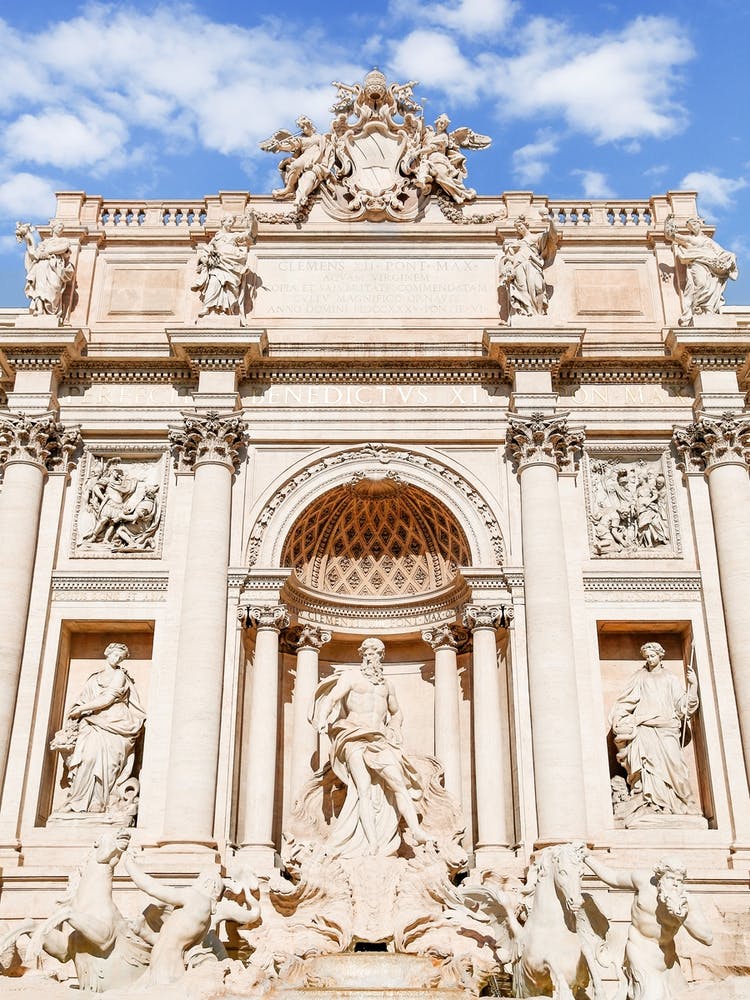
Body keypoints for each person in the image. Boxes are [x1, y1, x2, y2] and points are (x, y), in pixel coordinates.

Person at [309, 637, 431, 857]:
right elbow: (333, 698)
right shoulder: (351, 677)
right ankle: (372, 842)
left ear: (381, 656)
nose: (371, 655)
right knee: (362, 789)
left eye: (375, 652)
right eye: (367, 652)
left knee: (399, 784)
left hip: (379, 739)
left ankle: (416, 830)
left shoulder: (387, 685)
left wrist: (395, 726)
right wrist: (322, 718)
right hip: (353, 736)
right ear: (361, 654)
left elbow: (397, 712)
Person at [583, 852, 712, 999]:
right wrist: (587, 857)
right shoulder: (643, 881)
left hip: (667, 958)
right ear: (660, 878)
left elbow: (708, 938)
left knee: (681, 995)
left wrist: (683, 918)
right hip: (640, 951)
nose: (676, 883)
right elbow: (613, 878)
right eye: (671, 878)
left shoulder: (687, 902)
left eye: (680, 880)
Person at [51, 643, 146, 815]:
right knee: (87, 759)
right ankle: (76, 800)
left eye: (121, 657)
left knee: (109, 764)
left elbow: (108, 698)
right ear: (107, 653)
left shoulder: (119, 676)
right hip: (92, 723)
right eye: (115, 655)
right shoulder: (93, 679)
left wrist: (82, 709)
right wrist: (78, 710)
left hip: (116, 723)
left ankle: (99, 803)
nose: (117, 659)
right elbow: (82, 699)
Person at [610, 641, 699, 816]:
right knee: (648, 768)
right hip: (644, 727)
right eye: (647, 657)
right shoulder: (639, 677)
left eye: (653, 656)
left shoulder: (670, 679)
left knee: (676, 765)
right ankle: (651, 803)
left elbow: (683, 706)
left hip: (667, 728)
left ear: (660, 655)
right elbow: (627, 700)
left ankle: (684, 802)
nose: (650, 659)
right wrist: (620, 717)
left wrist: (693, 685)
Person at [665, 216, 738, 326]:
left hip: (712, 266)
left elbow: (721, 252)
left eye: (694, 223)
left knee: (711, 287)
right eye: (690, 226)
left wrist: (731, 256)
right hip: (698, 265)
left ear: (699, 224)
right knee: (701, 284)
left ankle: (708, 310)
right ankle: (699, 308)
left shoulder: (708, 241)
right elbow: (671, 236)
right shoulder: (690, 239)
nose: (693, 226)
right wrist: (668, 223)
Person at [192, 213, 257, 319]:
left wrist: (253, 221)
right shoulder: (215, 238)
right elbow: (206, 252)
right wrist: (205, 259)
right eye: (229, 221)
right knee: (214, 282)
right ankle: (208, 307)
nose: (231, 224)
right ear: (223, 222)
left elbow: (250, 235)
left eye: (232, 222)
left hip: (232, 265)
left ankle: (226, 308)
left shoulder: (234, 236)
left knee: (230, 288)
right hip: (218, 264)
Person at [500, 211, 559, 316]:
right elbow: (509, 258)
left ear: (525, 224)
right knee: (522, 289)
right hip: (518, 266)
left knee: (539, 287)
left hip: (533, 265)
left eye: (520, 225)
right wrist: (508, 268)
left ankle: (539, 312)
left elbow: (553, 236)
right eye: (517, 228)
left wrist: (550, 221)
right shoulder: (516, 244)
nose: (519, 229)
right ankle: (528, 311)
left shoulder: (537, 237)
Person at [16, 220, 75, 319]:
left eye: (61, 228)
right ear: (53, 228)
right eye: (58, 227)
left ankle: (51, 309)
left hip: (54, 267)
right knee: (40, 288)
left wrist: (48, 251)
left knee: (55, 287)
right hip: (42, 266)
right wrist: (28, 238)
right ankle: (40, 309)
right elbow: (36, 253)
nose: (60, 229)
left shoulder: (64, 241)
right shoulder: (45, 242)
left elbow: (64, 248)